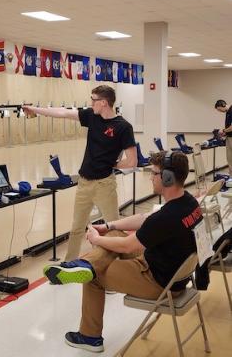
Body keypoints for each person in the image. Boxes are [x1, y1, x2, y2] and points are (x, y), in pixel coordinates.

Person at [43, 151, 202, 353]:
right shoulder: (188, 202)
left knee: (94, 277)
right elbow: (145, 218)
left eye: (154, 173)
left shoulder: (167, 217)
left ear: (167, 178)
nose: (151, 177)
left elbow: (129, 246)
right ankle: (88, 263)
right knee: (116, 233)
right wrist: (109, 226)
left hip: (157, 281)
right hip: (175, 274)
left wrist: (96, 239)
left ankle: (89, 337)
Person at [23, 85, 137, 261]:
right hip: (84, 183)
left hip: (104, 185)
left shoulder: (123, 127)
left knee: (114, 228)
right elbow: (63, 113)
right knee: (77, 228)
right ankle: (69, 264)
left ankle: (125, 266)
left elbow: (132, 161)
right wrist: (35, 109)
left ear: (104, 103)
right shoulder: (92, 116)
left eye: (93, 100)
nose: (91, 103)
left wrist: (111, 164)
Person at [214, 99, 232, 176]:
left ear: (222, 105)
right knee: (229, 157)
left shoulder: (231, 110)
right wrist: (224, 133)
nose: (220, 111)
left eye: (219, 109)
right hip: (229, 137)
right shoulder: (228, 112)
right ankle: (231, 175)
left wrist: (223, 131)